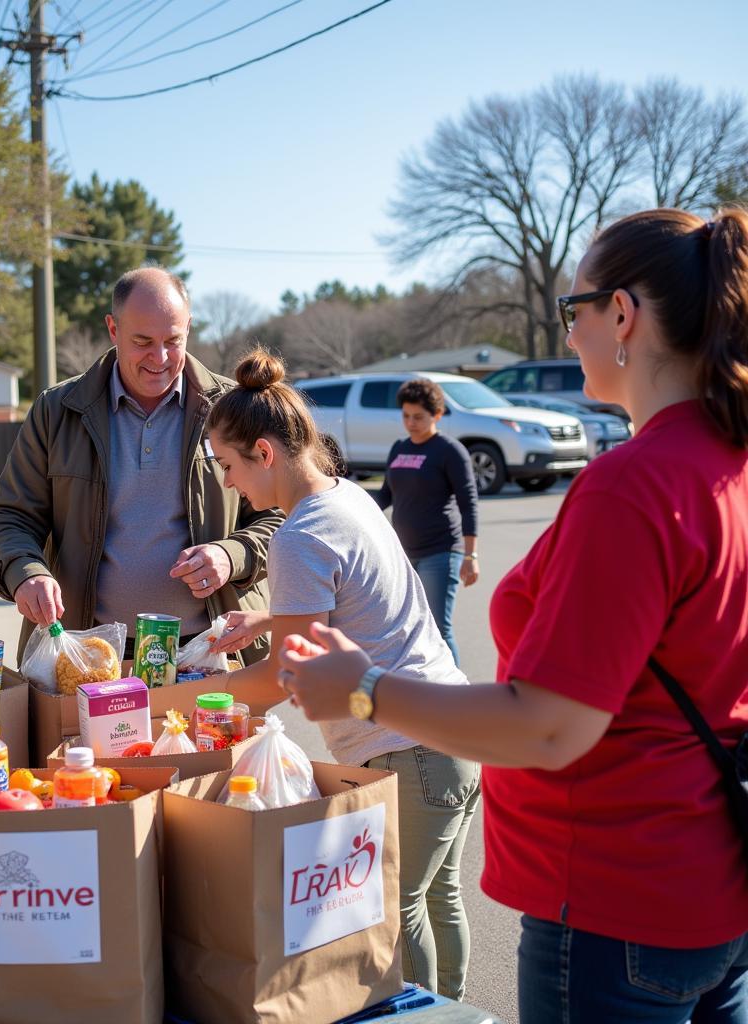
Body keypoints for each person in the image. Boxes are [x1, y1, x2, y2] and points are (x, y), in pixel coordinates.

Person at [277, 208, 748, 1022]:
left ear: (624, 315)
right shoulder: (725, 462)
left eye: (575, 312)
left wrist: (365, 691)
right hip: (711, 891)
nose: (569, 335)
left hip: (613, 903)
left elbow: (548, 727)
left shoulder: (634, 485)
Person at [207, 348, 481, 1001]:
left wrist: (166, 701)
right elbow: (362, 602)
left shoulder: (298, 536)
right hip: (451, 735)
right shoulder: (345, 496)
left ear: (265, 453)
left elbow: (280, 681)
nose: (227, 484)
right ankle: (457, 1015)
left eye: (228, 466)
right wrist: (270, 621)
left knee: (396, 912)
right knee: (437, 900)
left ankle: (425, 1018)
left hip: (403, 751)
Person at [0, 267, 282, 664]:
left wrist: (232, 555)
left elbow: (282, 514)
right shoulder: (57, 411)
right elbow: (8, 518)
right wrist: (26, 572)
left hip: (209, 649)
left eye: (173, 341)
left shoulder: (233, 409)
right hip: (88, 656)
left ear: (189, 327)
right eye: (142, 341)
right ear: (112, 329)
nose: (159, 358)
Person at [375, 378, 479, 665]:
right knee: (411, 629)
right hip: (405, 555)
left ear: (437, 415)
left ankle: (456, 697)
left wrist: (471, 554)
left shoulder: (449, 451)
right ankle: (429, 693)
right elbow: (385, 495)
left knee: (439, 629)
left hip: (441, 552)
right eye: (406, 416)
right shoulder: (399, 448)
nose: (411, 423)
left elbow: (468, 504)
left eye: (418, 417)